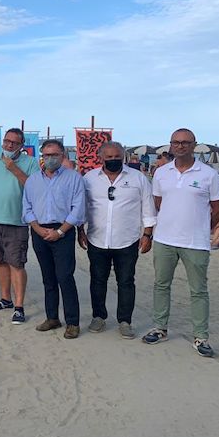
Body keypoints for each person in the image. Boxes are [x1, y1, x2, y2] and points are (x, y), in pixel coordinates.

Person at [142, 128, 219, 357]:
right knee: (161, 285)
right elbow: (159, 202)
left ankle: (201, 337)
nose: (180, 146)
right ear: (171, 145)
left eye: (186, 142)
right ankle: (160, 328)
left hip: (196, 242)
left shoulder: (209, 174)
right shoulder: (161, 173)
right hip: (164, 239)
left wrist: (201, 226)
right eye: (176, 142)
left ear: (194, 145)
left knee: (198, 290)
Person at [78, 141, 156, 339]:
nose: (113, 160)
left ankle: (125, 320)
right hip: (97, 238)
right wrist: (81, 230)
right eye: (109, 157)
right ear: (101, 158)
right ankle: (99, 316)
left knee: (126, 281)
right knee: (97, 280)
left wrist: (147, 235)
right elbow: (81, 208)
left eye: (117, 157)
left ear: (124, 157)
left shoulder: (139, 178)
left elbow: (148, 209)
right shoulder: (89, 179)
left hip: (127, 240)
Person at [22, 139, 86, 339]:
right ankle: (52, 318)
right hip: (39, 231)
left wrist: (60, 231)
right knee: (47, 277)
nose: (50, 159)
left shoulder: (74, 178)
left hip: (63, 232)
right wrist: (37, 228)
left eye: (54, 155)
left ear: (63, 156)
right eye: (46, 155)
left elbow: (78, 208)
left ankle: (72, 322)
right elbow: (26, 207)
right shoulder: (33, 180)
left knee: (65, 277)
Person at [0, 127, 40, 324]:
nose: (9, 145)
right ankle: (5, 299)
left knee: (16, 263)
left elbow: (34, 188)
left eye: (14, 142)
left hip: (16, 222)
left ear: (21, 146)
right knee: (0, 261)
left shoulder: (30, 163)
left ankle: (19, 306)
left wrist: (13, 168)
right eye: (7, 141)